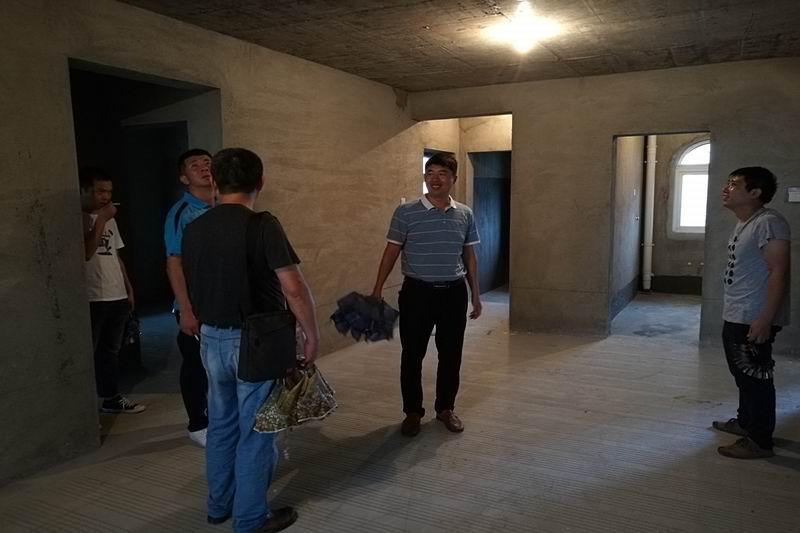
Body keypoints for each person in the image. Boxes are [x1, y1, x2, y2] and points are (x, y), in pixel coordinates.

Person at [182, 147, 319, 532]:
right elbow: (293, 287)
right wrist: (311, 333)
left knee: (221, 425)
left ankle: (218, 505)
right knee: (258, 431)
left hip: (211, 340)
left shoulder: (195, 228)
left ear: (215, 181)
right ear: (261, 181)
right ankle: (250, 519)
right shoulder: (262, 224)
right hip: (255, 342)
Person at [371, 152, 482, 437]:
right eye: (430, 172)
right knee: (412, 354)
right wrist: (377, 287)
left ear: (453, 178)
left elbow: (469, 256)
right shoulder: (406, 212)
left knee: (451, 354)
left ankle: (445, 408)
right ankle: (412, 412)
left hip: (453, 293)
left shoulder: (465, 213)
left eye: (442, 173)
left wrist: (475, 294)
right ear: (424, 176)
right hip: (417, 293)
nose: (435, 178)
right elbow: (391, 251)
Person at [714, 166, 791, 459]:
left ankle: (759, 440)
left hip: (753, 316)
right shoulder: (747, 222)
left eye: (734, 184)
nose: (726, 189)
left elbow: (778, 271)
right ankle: (746, 423)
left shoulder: (769, 223)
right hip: (738, 312)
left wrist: (765, 318)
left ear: (755, 192)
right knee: (742, 374)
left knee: (755, 378)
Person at [80, 167, 145, 414]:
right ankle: (84, 412)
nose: (106, 197)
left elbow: (115, 255)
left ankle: (111, 398)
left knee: (111, 351)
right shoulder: (79, 218)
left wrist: (128, 287)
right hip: (91, 297)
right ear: (84, 190)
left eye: (108, 191)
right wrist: (101, 220)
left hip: (115, 294)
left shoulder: (110, 219)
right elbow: (87, 253)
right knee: (89, 353)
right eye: (100, 191)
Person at [164, 148, 213, 447]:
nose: (204, 168)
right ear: (184, 178)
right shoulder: (181, 212)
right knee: (195, 363)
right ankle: (197, 423)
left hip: (222, 300)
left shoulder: (226, 204)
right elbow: (173, 262)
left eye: (208, 163)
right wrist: (185, 308)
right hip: (195, 303)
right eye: (195, 165)